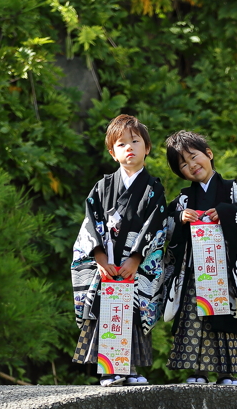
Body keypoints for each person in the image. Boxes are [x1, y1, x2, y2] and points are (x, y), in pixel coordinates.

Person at [71, 114, 170, 386]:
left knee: (134, 313)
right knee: (108, 312)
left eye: (135, 141)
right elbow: (90, 223)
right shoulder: (102, 187)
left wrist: (137, 259)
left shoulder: (153, 189)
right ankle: (109, 370)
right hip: (108, 263)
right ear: (112, 153)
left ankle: (131, 369)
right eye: (121, 144)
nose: (130, 148)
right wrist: (100, 259)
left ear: (147, 148)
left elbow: (156, 225)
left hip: (135, 265)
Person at [161, 130, 237, 386]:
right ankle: (197, 371)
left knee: (226, 316)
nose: (191, 165)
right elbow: (164, 224)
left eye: (194, 157)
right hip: (196, 270)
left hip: (226, 271)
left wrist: (226, 212)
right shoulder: (184, 199)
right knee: (194, 317)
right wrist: (180, 219)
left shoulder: (236, 191)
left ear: (209, 154)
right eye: (183, 164)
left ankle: (227, 372)